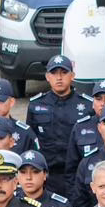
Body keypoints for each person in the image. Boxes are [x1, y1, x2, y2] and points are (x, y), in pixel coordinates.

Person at [25, 55, 92, 197]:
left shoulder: (86, 105)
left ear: (72, 76)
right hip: (48, 176)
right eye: (54, 73)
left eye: (64, 72)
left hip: (78, 175)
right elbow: (31, 141)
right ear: (47, 77)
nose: (59, 77)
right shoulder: (36, 105)